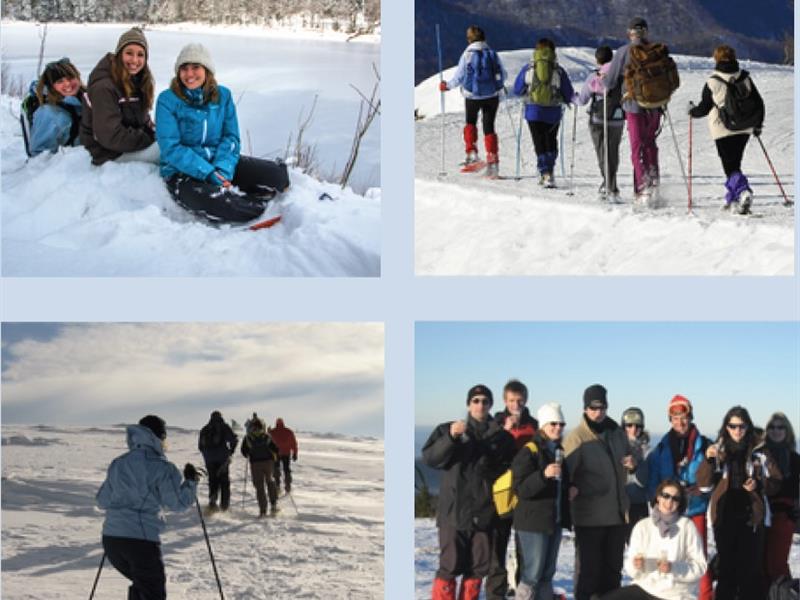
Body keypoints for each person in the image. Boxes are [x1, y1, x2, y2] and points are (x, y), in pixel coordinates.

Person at [155, 43, 290, 223]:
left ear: (207, 70)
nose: (189, 74)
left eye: (196, 67)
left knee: (277, 176)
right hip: (182, 171)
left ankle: (247, 195)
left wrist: (223, 169)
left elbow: (231, 137)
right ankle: (256, 209)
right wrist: (208, 173)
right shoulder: (167, 100)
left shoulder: (223, 96)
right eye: (184, 68)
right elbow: (171, 148)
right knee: (223, 205)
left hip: (219, 162)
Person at [422, 384, 516, 600]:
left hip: (485, 514)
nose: (480, 405)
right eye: (476, 400)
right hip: (454, 513)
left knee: (478, 568)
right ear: (468, 404)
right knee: (449, 566)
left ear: (491, 405)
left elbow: (509, 474)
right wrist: (451, 439)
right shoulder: (448, 429)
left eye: (485, 401)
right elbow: (431, 459)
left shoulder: (502, 438)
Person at [96, 415, 198, 600]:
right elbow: (178, 504)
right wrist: (190, 483)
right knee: (153, 592)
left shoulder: (118, 463)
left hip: (112, 540)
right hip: (140, 541)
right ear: (159, 437)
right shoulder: (162, 467)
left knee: (143, 587)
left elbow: (102, 500)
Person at [696, 406, 782, 600]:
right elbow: (703, 484)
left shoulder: (760, 451)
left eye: (741, 426)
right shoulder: (718, 450)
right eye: (732, 426)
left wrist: (759, 484)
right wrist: (709, 461)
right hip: (724, 518)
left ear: (748, 426)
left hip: (752, 518)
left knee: (751, 572)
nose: (737, 430)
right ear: (726, 427)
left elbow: (776, 482)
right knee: (727, 570)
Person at [563, 384, 635, 600]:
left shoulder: (616, 433)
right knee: (589, 574)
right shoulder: (577, 438)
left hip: (616, 515)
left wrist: (633, 463)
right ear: (585, 409)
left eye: (602, 407)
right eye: (593, 408)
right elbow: (566, 475)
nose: (598, 412)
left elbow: (630, 457)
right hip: (589, 517)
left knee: (613, 572)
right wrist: (573, 487)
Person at [645, 395, 713, 600]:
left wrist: (703, 489)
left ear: (690, 417)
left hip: (695, 509)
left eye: (683, 417)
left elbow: (715, 478)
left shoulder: (705, 445)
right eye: (675, 418)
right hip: (669, 513)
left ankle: (706, 597)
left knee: (699, 559)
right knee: (669, 558)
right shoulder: (661, 448)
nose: (680, 422)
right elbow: (653, 480)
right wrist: (658, 498)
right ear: (670, 419)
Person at [599, 479, 707, 600]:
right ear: (658, 498)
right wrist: (636, 565)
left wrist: (673, 568)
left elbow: (699, 566)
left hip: (677, 594)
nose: (669, 501)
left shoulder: (687, 526)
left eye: (675, 498)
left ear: (680, 503)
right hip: (645, 587)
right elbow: (630, 565)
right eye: (666, 496)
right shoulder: (643, 526)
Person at [688, 45, 764, 214]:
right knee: (734, 163)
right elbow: (759, 103)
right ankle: (732, 199)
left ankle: (743, 191)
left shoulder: (713, 81)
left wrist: (691, 111)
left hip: (723, 129)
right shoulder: (744, 77)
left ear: (716, 59)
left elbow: (704, 108)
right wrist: (757, 125)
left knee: (730, 166)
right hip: (745, 127)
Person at [604, 17, 669, 204]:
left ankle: (642, 189)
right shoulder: (656, 51)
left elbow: (610, 82)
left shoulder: (625, 52)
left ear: (629, 33)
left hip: (633, 106)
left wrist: (602, 80)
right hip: (655, 106)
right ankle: (654, 185)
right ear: (646, 32)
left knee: (637, 148)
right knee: (650, 145)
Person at [511, 402, 571, 600]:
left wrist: (570, 488)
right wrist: (543, 475)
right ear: (543, 425)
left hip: (553, 521)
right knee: (532, 576)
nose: (557, 427)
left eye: (561, 424)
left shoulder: (558, 450)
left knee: (546, 575)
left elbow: (560, 483)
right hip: (533, 523)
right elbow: (520, 489)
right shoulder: (530, 451)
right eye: (552, 423)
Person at [486, 379, 539, 600]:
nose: (515, 404)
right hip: (500, 493)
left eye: (519, 400)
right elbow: (487, 454)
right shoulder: (495, 423)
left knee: (524, 549)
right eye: (511, 400)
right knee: (497, 549)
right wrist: (503, 432)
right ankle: (495, 594)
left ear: (525, 400)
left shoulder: (534, 425)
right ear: (504, 401)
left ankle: (522, 593)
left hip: (525, 493)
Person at [80, 28, 159, 165]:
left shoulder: (137, 80)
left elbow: (143, 120)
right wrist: (151, 138)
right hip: (107, 152)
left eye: (140, 55)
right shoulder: (104, 87)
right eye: (129, 53)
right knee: (168, 152)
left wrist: (157, 131)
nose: (135, 60)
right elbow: (110, 135)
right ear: (119, 54)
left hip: (126, 144)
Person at [439, 26, 507, 177]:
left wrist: (447, 86)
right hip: (492, 96)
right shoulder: (492, 54)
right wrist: (498, 85)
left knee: (470, 123)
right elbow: (503, 74)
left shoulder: (467, 54)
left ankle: (472, 155)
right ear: (484, 38)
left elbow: (460, 76)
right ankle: (493, 162)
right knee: (489, 127)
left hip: (472, 96)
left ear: (469, 39)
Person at [512, 38, 576, 188]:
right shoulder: (558, 70)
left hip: (533, 110)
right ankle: (550, 171)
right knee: (550, 140)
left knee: (539, 141)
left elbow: (517, 89)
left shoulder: (529, 68)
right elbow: (568, 93)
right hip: (553, 111)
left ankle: (544, 172)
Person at [574, 45, 625, 202]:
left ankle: (610, 187)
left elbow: (582, 100)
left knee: (602, 152)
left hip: (598, 119)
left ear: (597, 60)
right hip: (618, 118)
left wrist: (571, 97)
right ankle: (610, 184)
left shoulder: (595, 76)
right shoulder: (622, 75)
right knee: (613, 152)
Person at [762, 412, 800, 587]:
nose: (776, 431)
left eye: (780, 427)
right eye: (772, 427)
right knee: (761, 563)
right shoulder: (759, 455)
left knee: (777, 564)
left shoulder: (794, 459)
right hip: (761, 515)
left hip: (784, 516)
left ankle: (785, 594)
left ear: (788, 431)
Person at [26, 58, 84, 156]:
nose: (67, 84)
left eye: (70, 78)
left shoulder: (85, 100)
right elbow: (40, 157)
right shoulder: (48, 114)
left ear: (77, 77)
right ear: (52, 86)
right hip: (66, 168)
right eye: (60, 81)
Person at [198, 410, 238, 512]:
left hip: (209, 459)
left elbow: (200, 446)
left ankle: (212, 502)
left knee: (212, 480)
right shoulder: (224, 427)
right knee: (224, 481)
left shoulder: (205, 429)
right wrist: (231, 451)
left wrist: (207, 455)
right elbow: (233, 440)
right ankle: (224, 506)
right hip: (222, 459)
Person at [240, 416, 280, 517]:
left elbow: (244, 451)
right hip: (268, 463)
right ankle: (274, 504)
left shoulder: (248, 437)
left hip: (255, 464)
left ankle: (263, 510)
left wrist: (249, 454)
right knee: (270, 482)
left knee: (259, 487)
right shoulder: (266, 436)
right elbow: (275, 449)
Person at [621, 407, 650, 541]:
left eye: (638, 426)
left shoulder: (647, 450)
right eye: (629, 425)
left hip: (638, 504)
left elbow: (645, 480)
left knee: (639, 547)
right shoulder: (615, 447)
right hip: (618, 504)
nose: (633, 429)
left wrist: (635, 468)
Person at [269, 417, 298, 494]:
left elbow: (268, 441)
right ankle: (288, 485)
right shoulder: (289, 432)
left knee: (276, 468)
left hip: (276, 454)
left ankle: (277, 485)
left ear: (276, 423)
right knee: (286, 469)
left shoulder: (272, 432)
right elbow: (294, 443)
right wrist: (295, 453)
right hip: (286, 453)